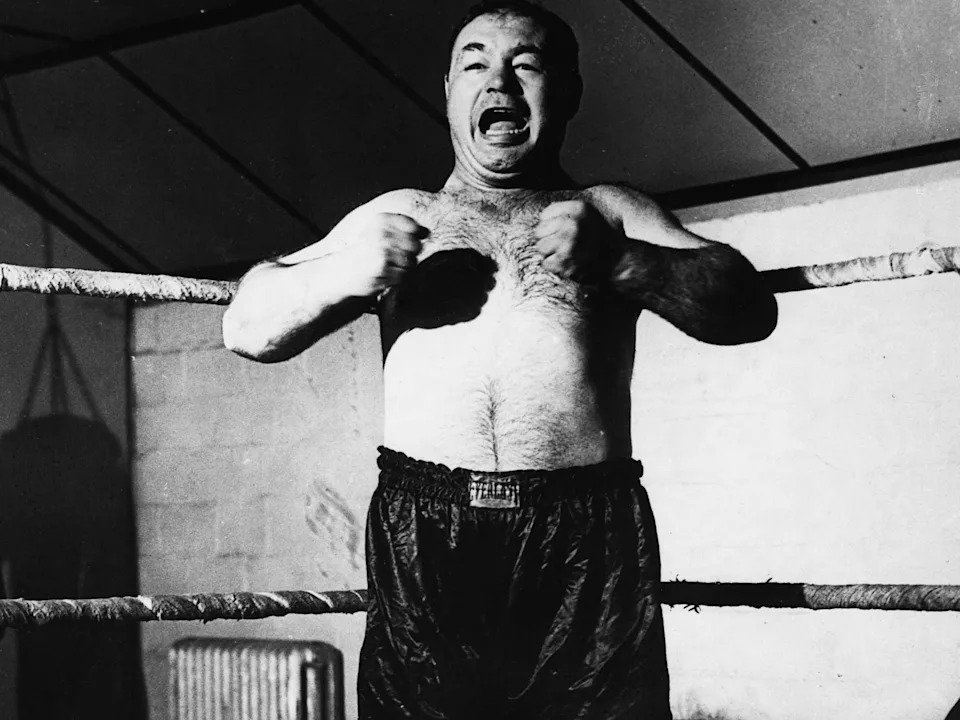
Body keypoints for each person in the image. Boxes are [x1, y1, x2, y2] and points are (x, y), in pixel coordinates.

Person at [223, 1, 777, 717]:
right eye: (476, 64)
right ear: (448, 92)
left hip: (584, 536)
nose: (499, 83)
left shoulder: (608, 211)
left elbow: (748, 308)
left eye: (527, 65)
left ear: (567, 92)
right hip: (425, 530)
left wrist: (623, 261)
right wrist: (343, 273)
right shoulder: (403, 211)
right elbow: (247, 328)